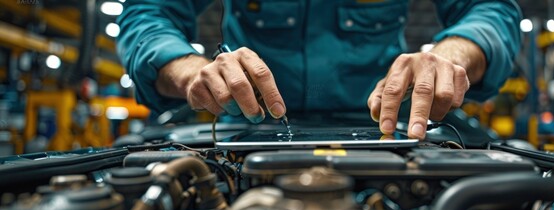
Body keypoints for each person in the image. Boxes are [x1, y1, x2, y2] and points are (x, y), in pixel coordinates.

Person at [117, 0, 521, 139]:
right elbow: (148, 12)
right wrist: (190, 71)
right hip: (240, 122)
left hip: (389, 126)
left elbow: (490, 9)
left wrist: (449, 56)